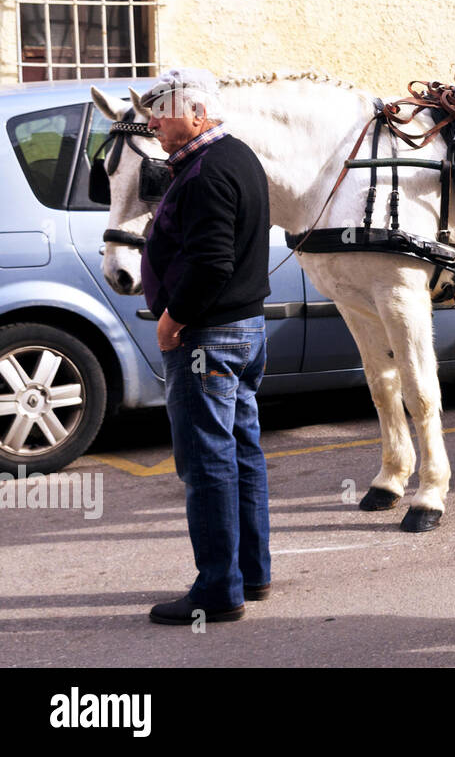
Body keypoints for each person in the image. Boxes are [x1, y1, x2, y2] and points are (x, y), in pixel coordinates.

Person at [140, 69, 272, 626]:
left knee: (206, 463)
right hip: (242, 331)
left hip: (208, 338)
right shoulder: (236, 154)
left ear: (197, 114)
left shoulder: (204, 173)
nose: (152, 122)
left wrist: (173, 319)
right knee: (239, 451)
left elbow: (211, 261)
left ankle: (219, 589)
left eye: (162, 113)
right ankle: (252, 573)